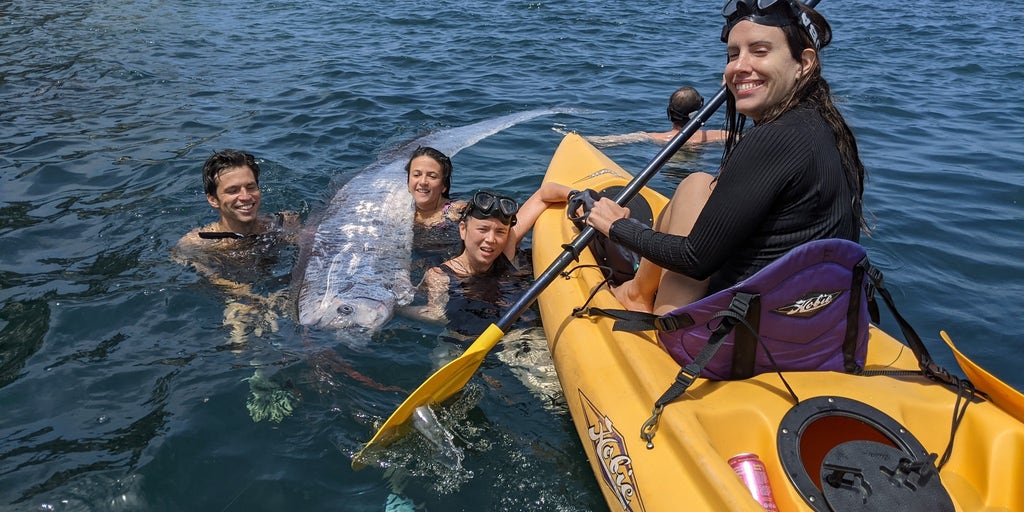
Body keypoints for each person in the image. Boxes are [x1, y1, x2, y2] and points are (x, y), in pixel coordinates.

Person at [585, 0, 866, 316]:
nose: (739, 66)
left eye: (759, 51)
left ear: (804, 62)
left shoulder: (774, 138)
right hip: (810, 324)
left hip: (736, 342)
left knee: (694, 185)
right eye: (734, 55)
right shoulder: (821, 124)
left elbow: (694, 259)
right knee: (698, 183)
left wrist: (616, 227)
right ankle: (637, 291)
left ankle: (640, 298)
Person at [399, 182, 573, 337]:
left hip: (519, 336)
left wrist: (576, 196)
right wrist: (398, 309)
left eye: (500, 232)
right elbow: (436, 313)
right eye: (482, 229)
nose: (491, 239)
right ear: (462, 230)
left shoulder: (505, 251)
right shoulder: (440, 275)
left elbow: (543, 195)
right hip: (463, 343)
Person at [172, 149, 300, 343]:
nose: (246, 197)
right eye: (233, 190)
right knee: (240, 337)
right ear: (213, 199)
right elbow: (210, 277)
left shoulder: (284, 223)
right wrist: (249, 298)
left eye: (251, 187)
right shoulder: (198, 243)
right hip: (240, 297)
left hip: (283, 289)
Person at [582, 86, 729, 147]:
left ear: (669, 113)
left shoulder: (654, 137)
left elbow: (607, 141)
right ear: (699, 114)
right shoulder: (717, 135)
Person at [406, 146, 468, 228]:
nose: (423, 182)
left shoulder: (455, 213)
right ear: (408, 182)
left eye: (432, 176)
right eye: (416, 175)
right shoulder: (399, 209)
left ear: (444, 186)